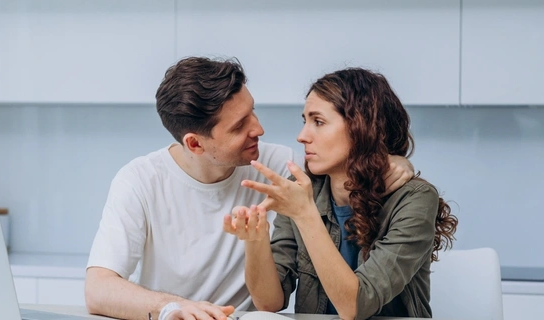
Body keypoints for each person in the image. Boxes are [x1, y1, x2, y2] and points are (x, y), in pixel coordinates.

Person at [84, 57, 415, 320]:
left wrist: (394, 162)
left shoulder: (280, 167)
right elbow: (98, 289)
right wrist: (172, 308)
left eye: (252, 111)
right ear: (195, 144)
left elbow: (348, 155)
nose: (258, 128)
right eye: (240, 126)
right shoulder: (140, 180)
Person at [223, 68, 459, 320]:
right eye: (305, 121)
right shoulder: (303, 190)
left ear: (361, 128)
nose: (302, 136)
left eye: (319, 122)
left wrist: (304, 213)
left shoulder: (414, 199)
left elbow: (355, 307)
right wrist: (255, 240)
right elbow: (269, 302)